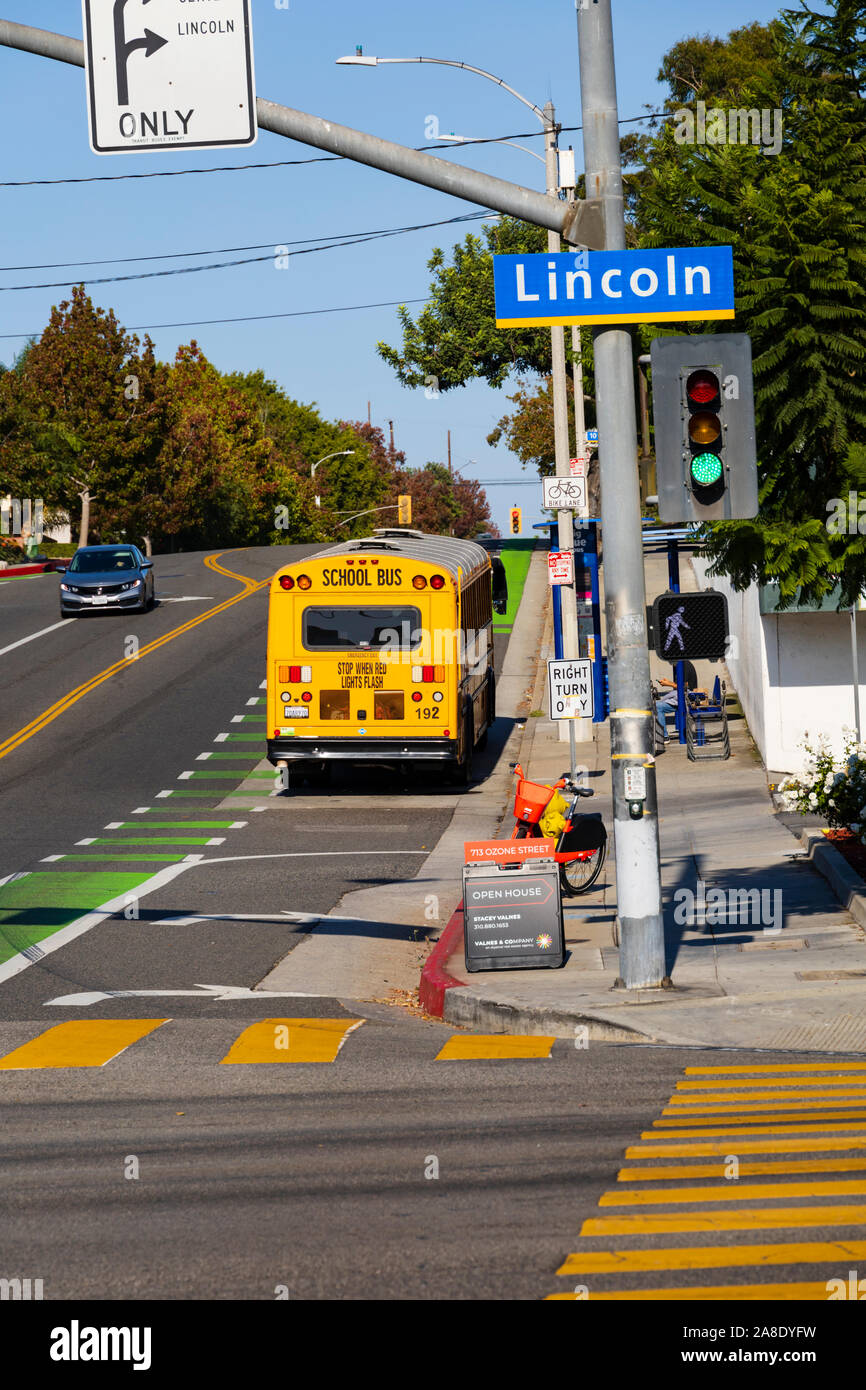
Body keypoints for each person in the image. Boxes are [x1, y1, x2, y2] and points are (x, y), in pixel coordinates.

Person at [654, 660, 706, 742]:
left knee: (658, 706)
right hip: (681, 696)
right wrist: (668, 682)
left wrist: (668, 684)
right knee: (657, 704)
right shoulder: (680, 664)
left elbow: (683, 687)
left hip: (687, 697)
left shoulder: (683, 665)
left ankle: (664, 736)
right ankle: (662, 734)